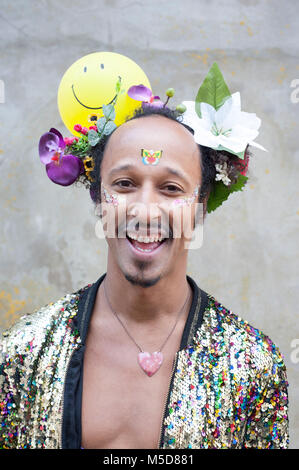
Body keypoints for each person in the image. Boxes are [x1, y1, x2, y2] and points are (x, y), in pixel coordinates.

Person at [0, 64, 289, 449]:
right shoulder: (23, 354)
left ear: (200, 206)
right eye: (124, 184)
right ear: (98, 199)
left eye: (171, 188)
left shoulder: (252, 366)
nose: (146, 210)